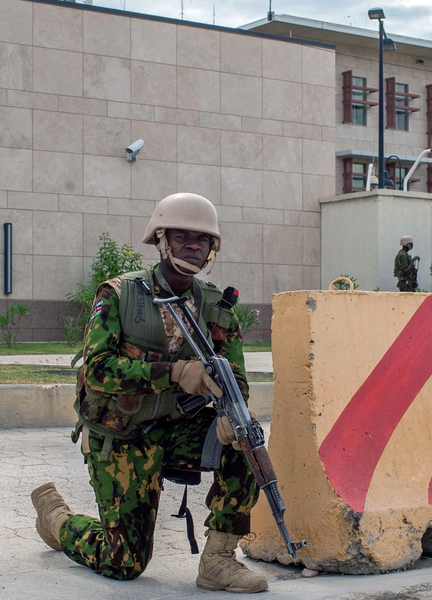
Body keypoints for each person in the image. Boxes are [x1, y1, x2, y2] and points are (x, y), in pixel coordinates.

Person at [30, 193, 265, 593]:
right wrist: (174, 372)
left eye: (202, 239)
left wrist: (229, 411)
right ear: (161, 240)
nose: (192, 245)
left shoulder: (214, 306)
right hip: (122, 434)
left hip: (177, 429)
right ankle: (57, 520)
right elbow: (99, 370)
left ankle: (219, 560)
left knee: (246, 438)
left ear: (212, 250)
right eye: (181, 236)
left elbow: (236, 378)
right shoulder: (119, 294)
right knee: (125, 563)